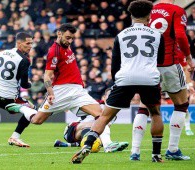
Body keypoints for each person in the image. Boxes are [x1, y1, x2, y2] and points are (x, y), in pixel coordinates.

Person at [71, 0, 165, 164]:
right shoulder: (157, 35)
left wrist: (117, 81)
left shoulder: (121, 35)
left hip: (125, 77)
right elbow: (161, 60)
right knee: (155, 114)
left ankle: (87, 145)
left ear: (130, 15)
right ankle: (156, 155)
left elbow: (115, 63)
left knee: (104, 116)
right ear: (149, 17)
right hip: (149, 77)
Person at [5, 23, 102, 145]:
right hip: (60, 91)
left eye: (72, 38)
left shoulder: (67, 46)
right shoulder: (54, 51)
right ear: (59, 34)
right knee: (37, 120)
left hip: (77, 91)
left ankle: (108, 145)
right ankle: (22, 107)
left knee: (101, 114)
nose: (70, 41)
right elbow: (47, 75)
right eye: (68, 37)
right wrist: (50, 92)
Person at [131, 0, 195, 161]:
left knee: (144, 106)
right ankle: (172, 149)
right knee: (181, 103)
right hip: (169, 64)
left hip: (147, 65)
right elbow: (180, 35)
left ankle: (135, 151)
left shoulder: (147, 10)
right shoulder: (176, 10)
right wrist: (188, 58)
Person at [54, 89, 129, 153]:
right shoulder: (96, 104)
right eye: (109, 95)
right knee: (101, 122)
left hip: (85, 132)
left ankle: (66, 144)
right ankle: (108, 145)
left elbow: (103, 130)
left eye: (113, 95)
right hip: (73, 129)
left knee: (98, 135)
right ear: (104, 97)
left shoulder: (113, 114)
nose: (112, 97)